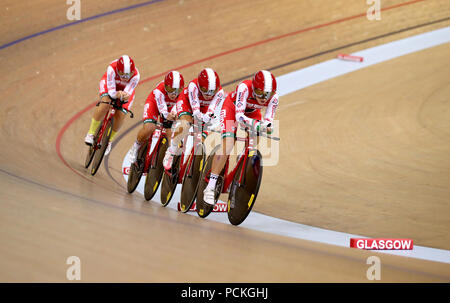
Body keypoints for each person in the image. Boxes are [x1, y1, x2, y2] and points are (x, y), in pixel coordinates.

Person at [202, 70, 279, 205]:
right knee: (229, 142)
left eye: (269, 94)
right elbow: (239, 117)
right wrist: (257, 125)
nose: (264, 97)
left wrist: (267, 127)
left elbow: (268, 120)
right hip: (232, 109)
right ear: (254, 89)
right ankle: (210, 186)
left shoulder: (274, 98)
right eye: (261, 93)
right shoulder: (244, 88)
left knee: (254, 140)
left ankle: (242, 160)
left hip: (253, 113)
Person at [162, 67, 226, 171]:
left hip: (204, 108)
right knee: (186, 124)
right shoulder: (193, 86)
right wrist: (198, 116)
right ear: (200, 86)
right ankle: (171, 150)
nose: (208, 94)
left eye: (212, 91)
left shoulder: (220, 92)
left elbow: (212, 108)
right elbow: (195, 109)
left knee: (203, 135)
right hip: (187, 103)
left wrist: (207, 117)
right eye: (205, 90)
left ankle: (193, 163)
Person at [84, 55, 140, 156]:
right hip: (110, 86)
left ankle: (109, 141)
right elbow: (111, 92)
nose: (125, 77)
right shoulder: (111, 68)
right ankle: (91, 133)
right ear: (118, 70)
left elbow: (128, 92)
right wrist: (116, 94)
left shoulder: (136, 75)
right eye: (122, 74)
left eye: (128, 74)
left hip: (124, 89)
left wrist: (124, 95)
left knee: (121, 114)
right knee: (106, 102)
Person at [128, 71, 185, 163]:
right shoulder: (159, 90)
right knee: (150, 127)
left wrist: (174, 114)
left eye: (177, 91)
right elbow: (162, 110)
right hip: (155, 104)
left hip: (170, 108)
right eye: (170, 90)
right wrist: (168, 116)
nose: (174, 94)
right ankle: (136, 146)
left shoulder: (183, 94)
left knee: (170, 131)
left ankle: (170, 154)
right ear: (166, 87)